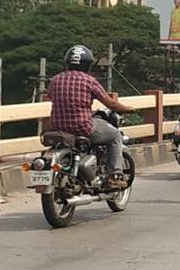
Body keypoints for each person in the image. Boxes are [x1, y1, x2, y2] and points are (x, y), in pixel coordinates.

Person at [48, 45, 134, 189]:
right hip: (82, 128)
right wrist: (128, 109)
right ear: (88, 64)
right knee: (114, 135)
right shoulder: (89, 81)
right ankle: (113, 176)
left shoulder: (55, 80)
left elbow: (50, 97)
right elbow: (110, 103)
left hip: (57, 129)